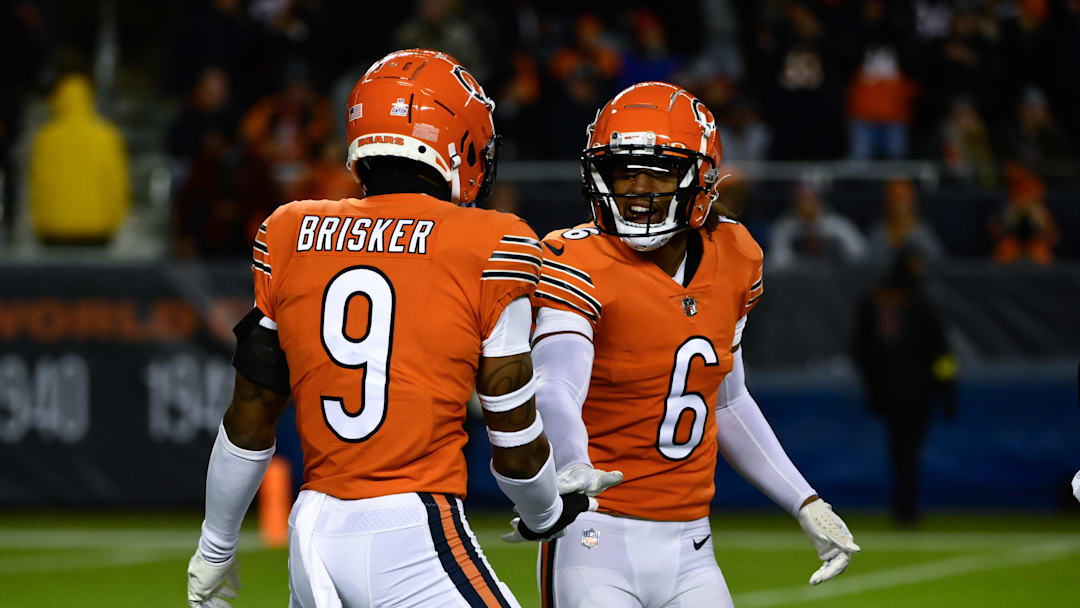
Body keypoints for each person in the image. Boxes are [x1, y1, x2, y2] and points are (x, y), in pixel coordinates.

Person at [186, 49, 599, 608]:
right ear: (463, 143)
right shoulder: (491, 240)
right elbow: (511, 423)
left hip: (312, 534)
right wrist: (547, 510)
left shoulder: (288, 230)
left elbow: (253, 407)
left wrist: (215, 547)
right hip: (412, 527)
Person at [524, 81, 859, 607]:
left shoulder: (735, 255)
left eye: (657, 172)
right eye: (622, 171)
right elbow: (554, 383)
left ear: (700, 178)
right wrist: (570, 463)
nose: (635, 188)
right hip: (594, 536)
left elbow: (727, 400)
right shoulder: (576, 258)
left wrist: (804, 501)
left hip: (691, 542)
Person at [852, 248, 956, 525]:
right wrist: (948, 391)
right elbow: (940, 350)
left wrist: (872, 385)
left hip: (886, 389)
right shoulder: (921, 302)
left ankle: (903, 504)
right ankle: (906, 507)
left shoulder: (874, 300)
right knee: (909, 449)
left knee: (899, 448)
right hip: (917, 389)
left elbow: (860, 348)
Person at [29, 74, 130, 246]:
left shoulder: (45, 138)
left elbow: (38, 182)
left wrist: (39, 221)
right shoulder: (106, 136)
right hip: (98, 227)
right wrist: (116, 219)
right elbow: (117, 182)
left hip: (54, 227)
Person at [768, 181, 866, 269]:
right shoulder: (784, 227)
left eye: (809, 198)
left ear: (819, 199)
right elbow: (779, 262)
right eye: (801, 198)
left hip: (835, 279)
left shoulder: (837, 225)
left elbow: (859, 254)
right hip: (798, 281)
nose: (806, 204)